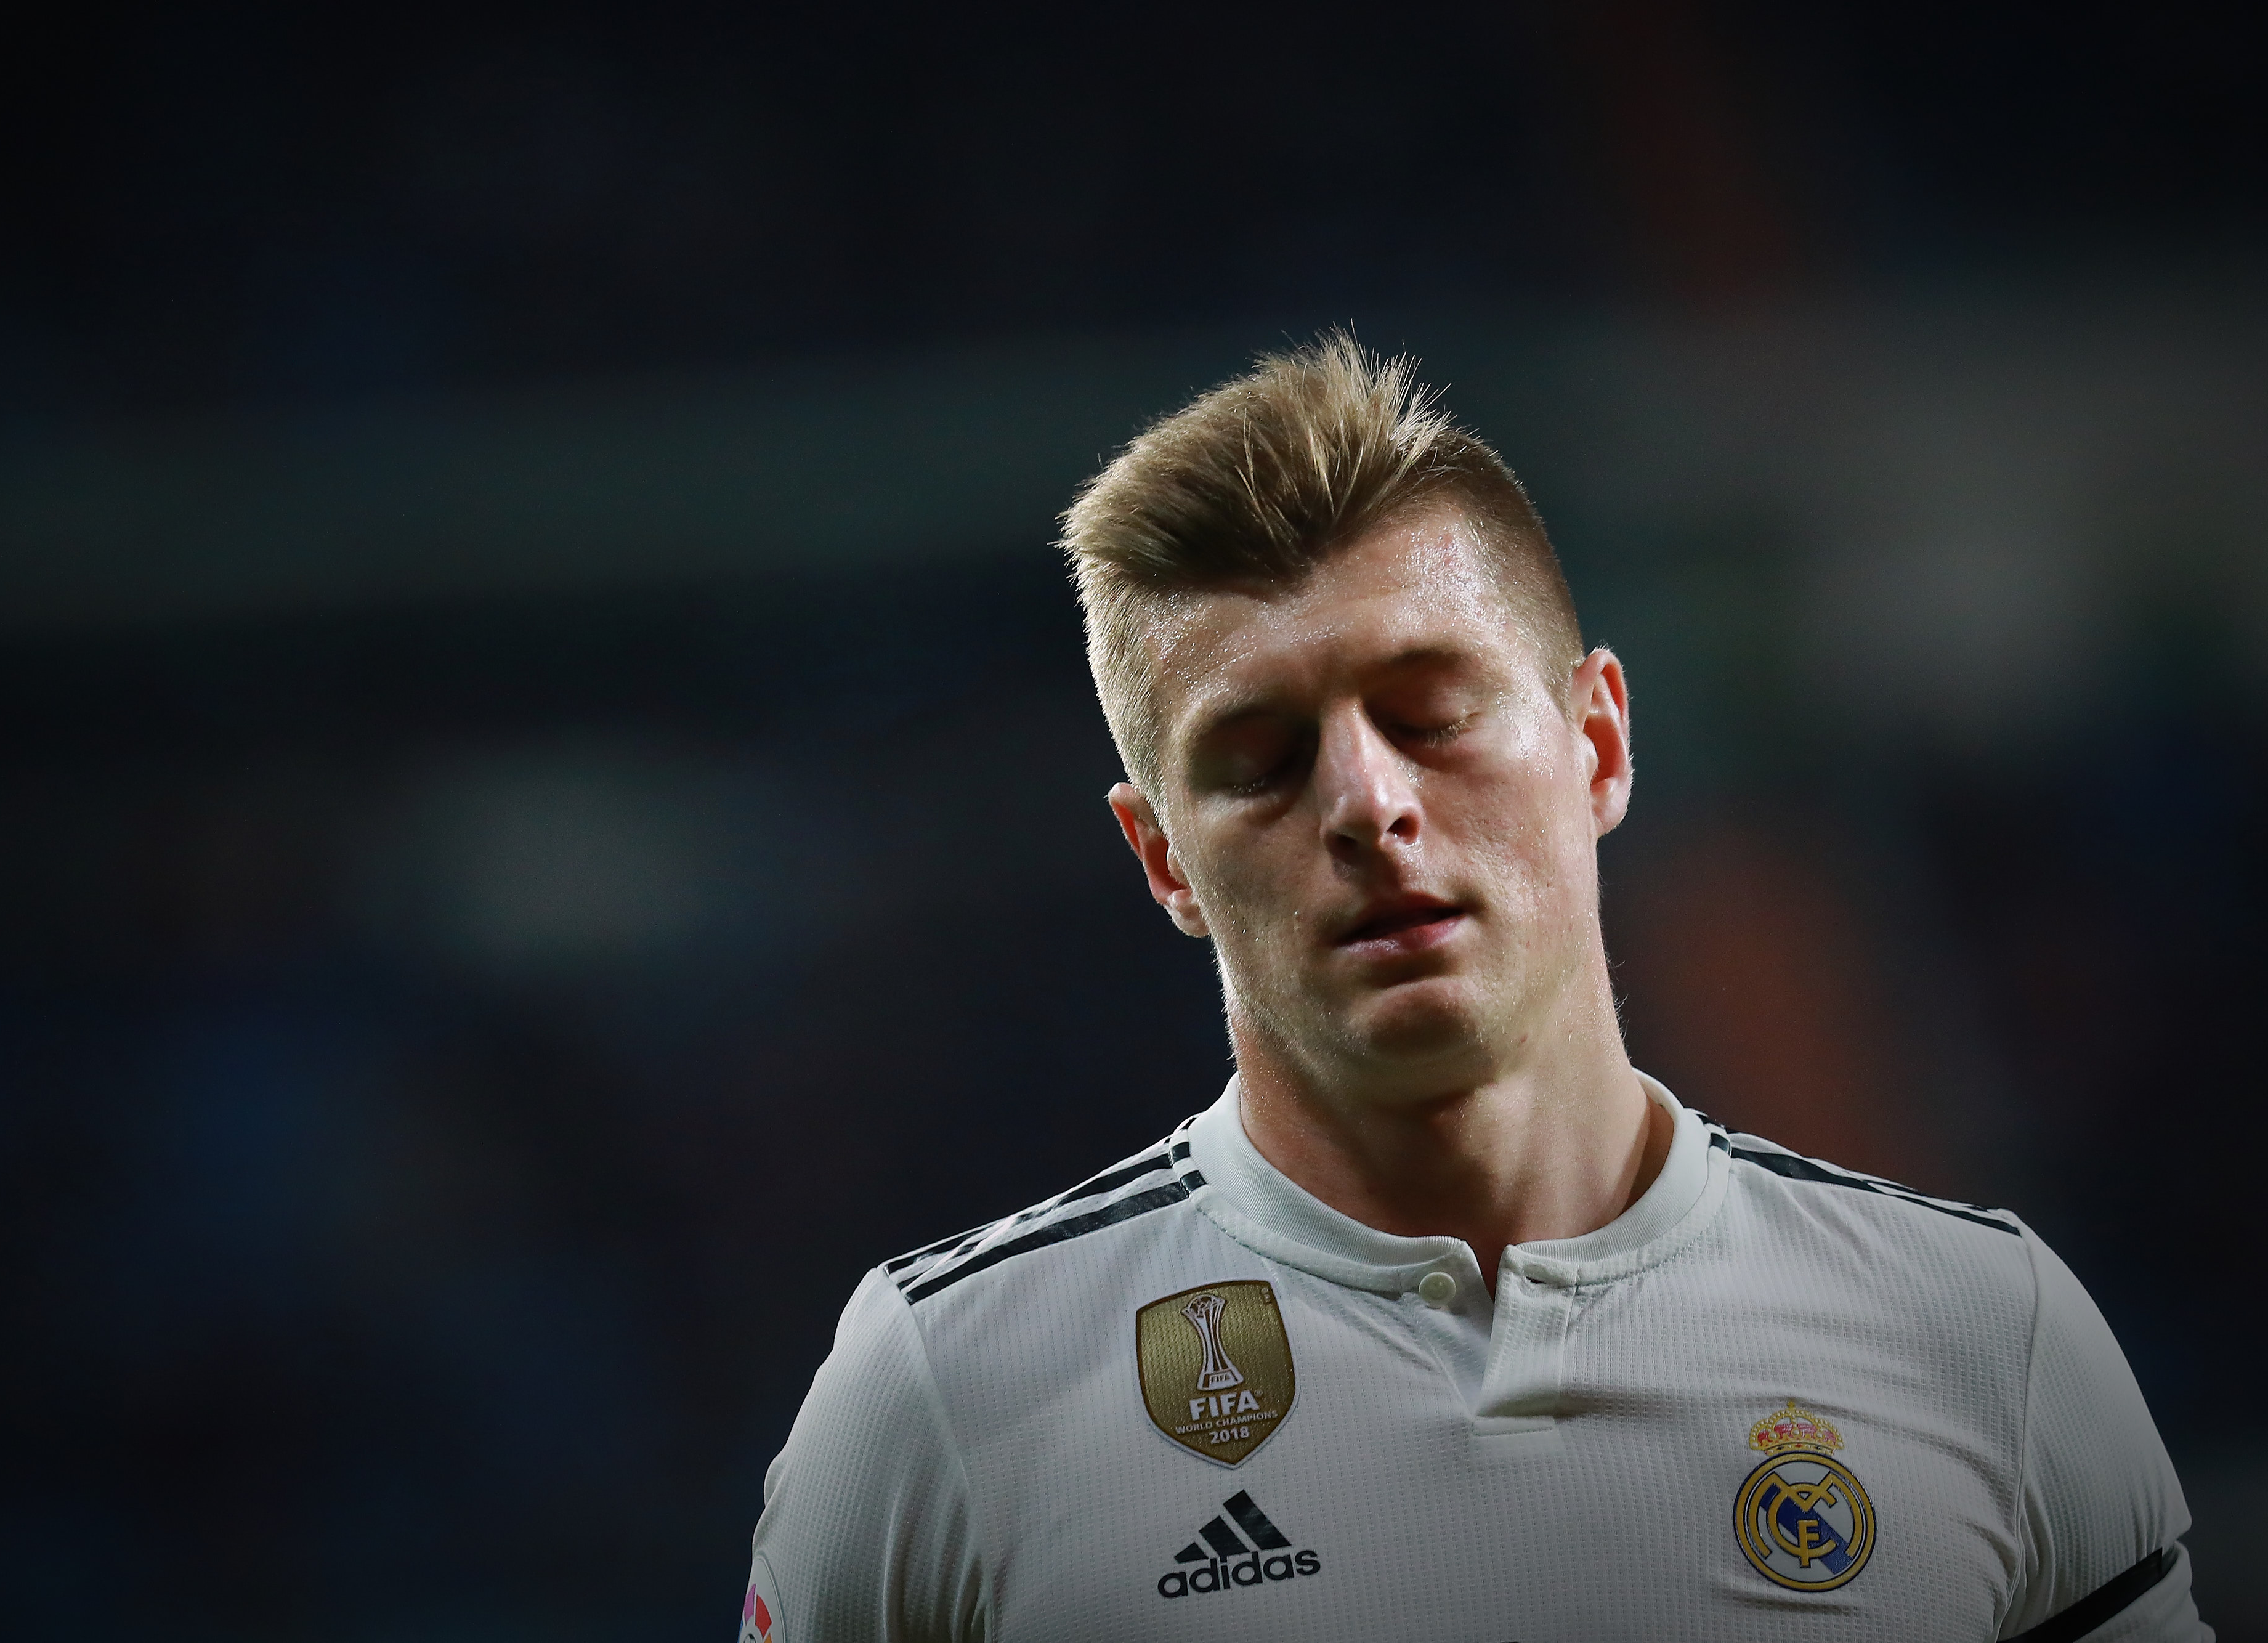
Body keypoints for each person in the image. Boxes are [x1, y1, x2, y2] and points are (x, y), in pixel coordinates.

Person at [739, 335, 2205, 1641]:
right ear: (1163, 860)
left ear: (1599, 742)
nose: (1366, 799)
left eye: (1430, 711)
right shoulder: (944, 1388)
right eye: (1257, 758)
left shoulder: (1980, 1332)